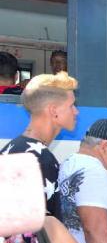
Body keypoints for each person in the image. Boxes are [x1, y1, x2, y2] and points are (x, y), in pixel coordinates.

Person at [1, 72, 79, 220]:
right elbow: (45, 232)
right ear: (53, 110)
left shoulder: (13, 147)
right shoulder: (42, 160)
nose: (76, 111)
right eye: (71, 105)